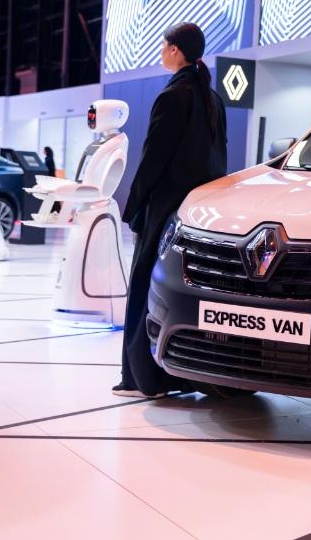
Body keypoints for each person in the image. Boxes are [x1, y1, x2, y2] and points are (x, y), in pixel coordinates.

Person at [113, 21, 228, 398]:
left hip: (163, 210)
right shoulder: (212, 100)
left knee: (144, 288)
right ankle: (181, 376)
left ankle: (140, 379)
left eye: (164, 46)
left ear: (175, 49)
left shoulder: (173, 96)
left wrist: (134, 207)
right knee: (183, 291)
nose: (161, 52)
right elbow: (219, 160)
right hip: (195, 214)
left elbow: (153, 160)